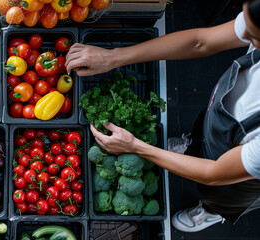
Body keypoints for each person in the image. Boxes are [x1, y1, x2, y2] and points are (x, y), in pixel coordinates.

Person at [65, 0, 260, 233]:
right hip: (222, 117)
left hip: (236, 177)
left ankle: (210, 213)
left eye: (253, 36)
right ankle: (190, 144)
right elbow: (201, 42)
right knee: (202, 134)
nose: (244, 34)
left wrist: (136, 146)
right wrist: (114, 57)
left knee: (221, 196)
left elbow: (213, 172)